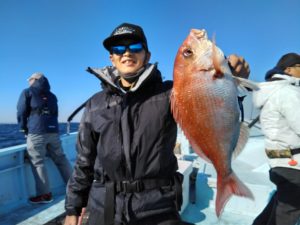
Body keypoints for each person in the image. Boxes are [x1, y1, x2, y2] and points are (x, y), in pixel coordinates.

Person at [64, 23, 250, 225]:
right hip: (104, 209)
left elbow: (211, 106)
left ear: (147, 55)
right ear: (112, 58)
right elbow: (84, 162)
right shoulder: (95, 104)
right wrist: (72, 209)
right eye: (118, 49)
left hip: (158, 207)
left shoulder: (170, 93)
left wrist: (233, 80)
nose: (126, 53)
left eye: (135, 47)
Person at [252, 53, 300, 225]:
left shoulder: (273, 91)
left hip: (279, 162)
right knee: (287, 213)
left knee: (279, 204)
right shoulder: (288, 92)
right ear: (288, 69)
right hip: (294, 164)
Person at [17, 73, 73, 204]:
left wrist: (23, 128)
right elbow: (56, 113)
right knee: (61, 159)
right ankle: (75, 188)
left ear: (35, 80)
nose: (29, 82)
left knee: (37, 162)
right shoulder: (52, 96)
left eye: (30, 79)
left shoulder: (27, 92)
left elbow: (21, 111)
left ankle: (45, 195)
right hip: (53, 131)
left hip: (37, 132)